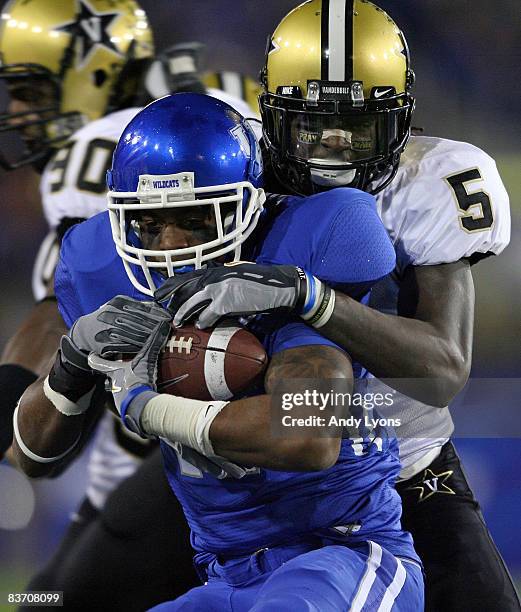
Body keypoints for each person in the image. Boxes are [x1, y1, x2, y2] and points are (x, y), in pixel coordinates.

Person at [156, 2, 519, 611]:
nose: (335, 148)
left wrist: (312, 298)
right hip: (252, 468)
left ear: (401, 118)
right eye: (313, 125)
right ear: (272, 118)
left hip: (400, 465)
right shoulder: (233, 169)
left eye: (359, 125)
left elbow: (440, 372)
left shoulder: (431, 180)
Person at [14, 91, 423, 611]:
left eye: (195, 219)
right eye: (149, 223)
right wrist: (70, 364)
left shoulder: (307, 240)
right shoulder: (97, 265)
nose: (169, 246)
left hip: (339, 552)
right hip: (223, 575)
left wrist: (144, 406)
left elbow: (307, 436)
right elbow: (33, 458)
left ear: (249, 204)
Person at [0, 1, 257, 607]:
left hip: (229, 452)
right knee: (44, 598)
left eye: (31, 88)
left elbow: (46, 324)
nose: (15, 111)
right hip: (139, 464)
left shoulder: (104, 152)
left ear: (94, 73)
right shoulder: (224, 103)